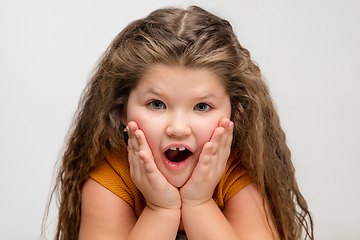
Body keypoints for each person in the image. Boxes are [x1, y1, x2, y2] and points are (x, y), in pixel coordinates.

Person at [45, 5, 313, 240]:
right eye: (157, 104)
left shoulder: (238, 173)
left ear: (235, 112)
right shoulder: (111, 179)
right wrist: (159, 209)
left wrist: (200, 203)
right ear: (121, 111)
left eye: (201, 106)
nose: (178, 128)